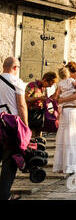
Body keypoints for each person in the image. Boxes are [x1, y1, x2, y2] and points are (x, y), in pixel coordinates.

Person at [0, 57, 28, 200]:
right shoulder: (17, 82)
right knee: (9, 162)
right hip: (10, 127)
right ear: (15, 67)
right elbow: (22, 106)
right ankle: (4, 196)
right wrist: (26, 127)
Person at [53, 61, 76, 175]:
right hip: (69, 109)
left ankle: (70, 164)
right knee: (65, 135)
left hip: (70, 109)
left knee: (69, 135)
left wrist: (61, 99)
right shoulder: (72, 81)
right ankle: (65, 164)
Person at [25, 72, 58, 138]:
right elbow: (25, 99)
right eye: (49, 84)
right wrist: (39, 98)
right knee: (31, 137)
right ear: (45, 80)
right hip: (31, 116)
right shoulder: (32, 85)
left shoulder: (44, 88)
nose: (50, 86)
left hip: (40, 117)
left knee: (39, 138)